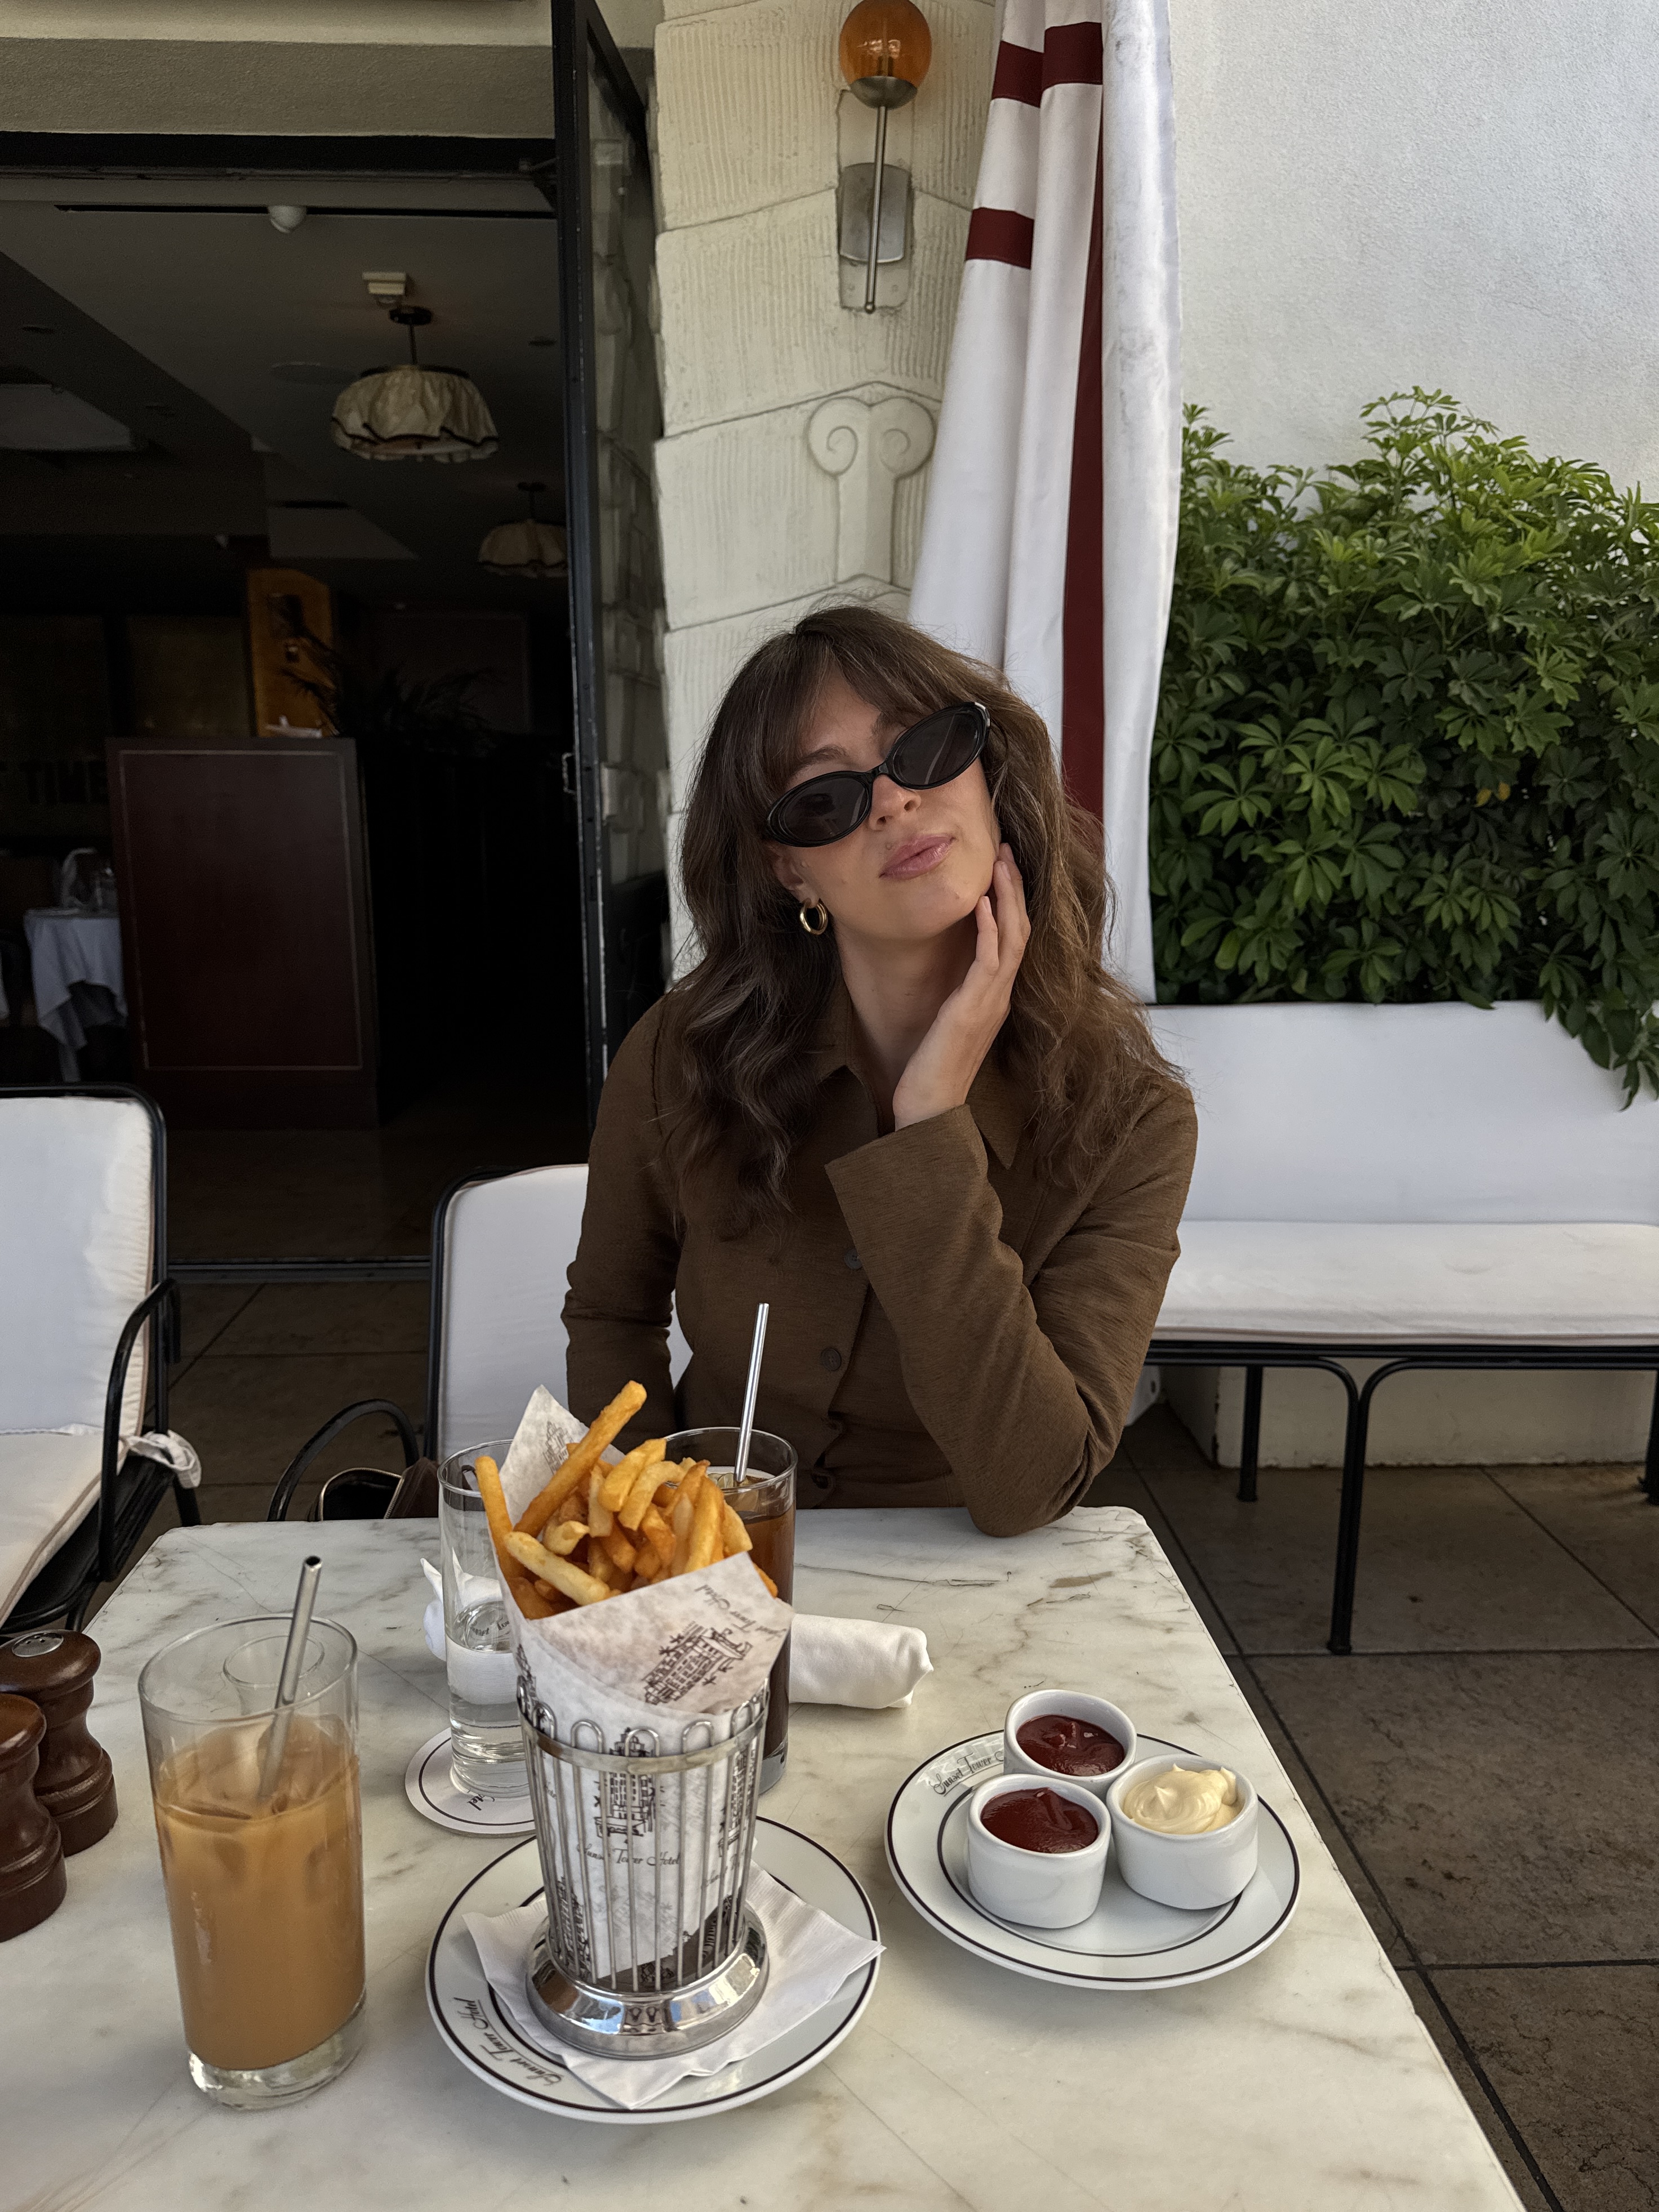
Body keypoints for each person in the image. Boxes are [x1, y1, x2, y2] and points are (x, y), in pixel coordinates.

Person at [564, 604, 1196, 1535]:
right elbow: (613, 1313)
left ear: (987, 775)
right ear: (790, 871)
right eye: (825, 797)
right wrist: (649, 1530)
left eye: (926, 749)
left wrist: (931, 1123)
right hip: (709, 1545)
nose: (895, 802)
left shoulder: (1130, 1115)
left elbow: (1034, 1482)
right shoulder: (681, 1050)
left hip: (953, 1573)